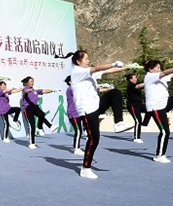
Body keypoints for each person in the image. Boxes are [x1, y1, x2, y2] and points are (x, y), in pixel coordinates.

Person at [56, 50, 133, 179]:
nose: (88, 61)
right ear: (78, 61)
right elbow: (97, 68)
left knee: (115, 93)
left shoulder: (88, 74)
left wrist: (128, 67)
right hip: (86, 110)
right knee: (94, 139)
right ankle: (85, 169)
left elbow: (108, 71)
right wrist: (113, 63)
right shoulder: (77, 71)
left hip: (95, 106)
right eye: (86, 59)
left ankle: (119, 123)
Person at [20, 76, 57, 149]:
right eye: (30, 81)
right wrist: (32, 89)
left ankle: (42, 127)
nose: (32, 83)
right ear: (27, 83)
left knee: (42, 114)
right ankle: (32, 143)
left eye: (33, 81)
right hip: (27, 109)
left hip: (35, 107)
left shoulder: (35, 90)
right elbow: (27, 91)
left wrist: (53, 90)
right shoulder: (25, 89)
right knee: (32, 126)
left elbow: (44, 91)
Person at [125, 73, 151, 144]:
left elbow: (141, 85)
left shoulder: (136, 84)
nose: (136, 79)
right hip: (132, 105)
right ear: (130, 79)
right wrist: (149, 81)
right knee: (138, 120)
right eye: (134, 78)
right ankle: (136, 138)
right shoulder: (130, 85)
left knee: (150, 109)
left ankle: (144, 124)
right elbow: (138, 86)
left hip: (139, 104)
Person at [64, 76, 84, 155]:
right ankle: (76, 149)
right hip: (73, 113)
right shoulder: (71, 89)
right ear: (70, 82)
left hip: (77, 112)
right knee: (78, 131)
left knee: (79, 130)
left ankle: (76, 145)